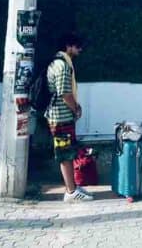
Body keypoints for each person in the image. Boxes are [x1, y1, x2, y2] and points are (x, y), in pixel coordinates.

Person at [45, 32, 93, 202]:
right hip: (60, 117)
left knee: (67, 151)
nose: (80, 50)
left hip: (59, 116)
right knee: (64, 153)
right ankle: (71, 192)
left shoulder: (57, 62)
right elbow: (65, 93)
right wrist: (76, 108)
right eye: (77, 46)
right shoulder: (63, 66)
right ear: (68, 46)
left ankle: (71, 187)